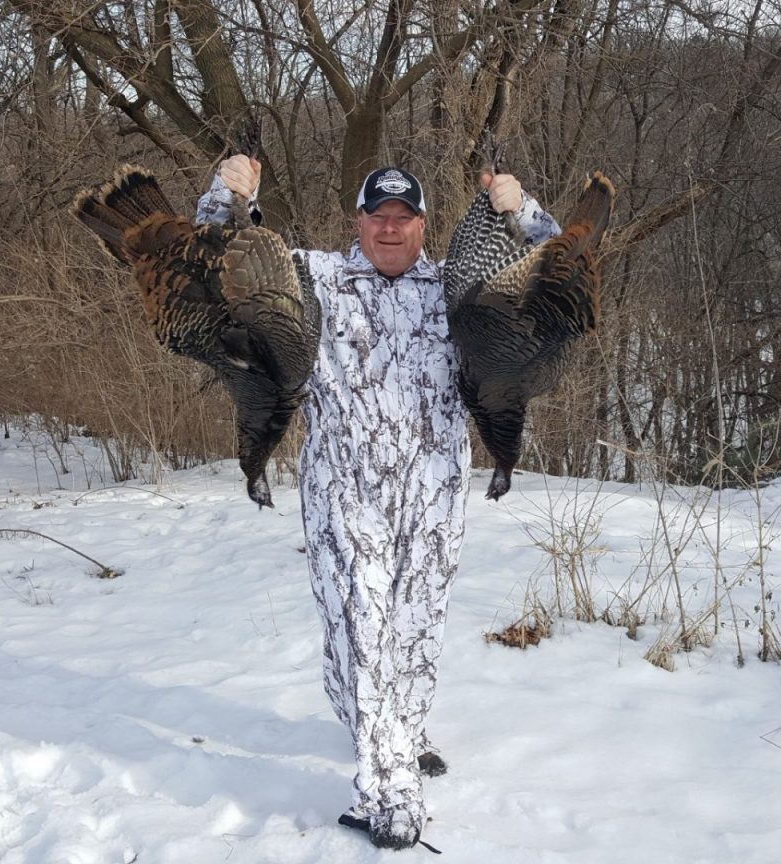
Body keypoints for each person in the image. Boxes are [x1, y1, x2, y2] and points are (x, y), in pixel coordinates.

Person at [195, 157, 560, 850]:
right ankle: (390, 790)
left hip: (434, 497)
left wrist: (521, 212)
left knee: (415, 630)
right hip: (345, 493)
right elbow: (210, 263)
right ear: (357, 221)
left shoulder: (461, 289)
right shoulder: (316, 279)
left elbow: (562, 278)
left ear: (423, 225)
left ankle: (396, 725)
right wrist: (228, 193)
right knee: (365, 628)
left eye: (405, 217)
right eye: (378, 216)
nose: (390, 229)